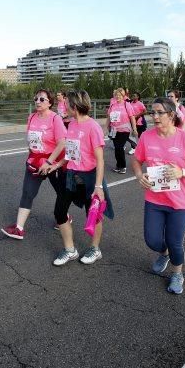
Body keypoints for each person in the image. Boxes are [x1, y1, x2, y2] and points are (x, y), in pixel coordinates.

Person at [131, 97, 185, 295]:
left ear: (172, 115)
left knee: (175, 241)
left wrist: (182, 172)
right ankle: (163, 254)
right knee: (152, 241)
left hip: (181, 203)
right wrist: (140, 175)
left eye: (159, 113)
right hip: (155, 200)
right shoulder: (147, 137)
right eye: (152, 112)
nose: (154, 116)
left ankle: (177, 274)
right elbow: (136, 160)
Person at [44, 90, 114, 266]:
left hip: (90, 178)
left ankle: (95, 249)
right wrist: (57, 165)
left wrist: (98, 186)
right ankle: (70, 250)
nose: (64, 106)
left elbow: (100, 160)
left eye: (66, 104)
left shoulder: (93, 127)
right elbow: (71, 153)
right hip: (71, 176)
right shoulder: (72, 124)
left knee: (93, 215)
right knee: (59, 211)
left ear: (74, 107)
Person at [1, 89, 67, 240]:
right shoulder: (31, 117)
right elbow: (31, 139)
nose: (37, 101)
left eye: (42, 99)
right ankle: (19, 228)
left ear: (50, 103)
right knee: (27, 193)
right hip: (35, 161)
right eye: (36, 98)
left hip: (52, 162)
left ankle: (64, 216)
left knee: (61, 193)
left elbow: (62, 142)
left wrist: (50, 162)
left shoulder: (55, 119)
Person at [107, 88, 137, 173]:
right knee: (117, 148)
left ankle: (123, 166)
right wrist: (106, 128)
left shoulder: (126, 104)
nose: (117, 96)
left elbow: (132, 117)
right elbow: (109, 117)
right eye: (116, 95)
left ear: (123, 96)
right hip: (114, 130)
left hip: (124, 130)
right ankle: (118, 165)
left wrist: (134, 129)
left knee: (120, 147)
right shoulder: (112, 105)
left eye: (119, 95)